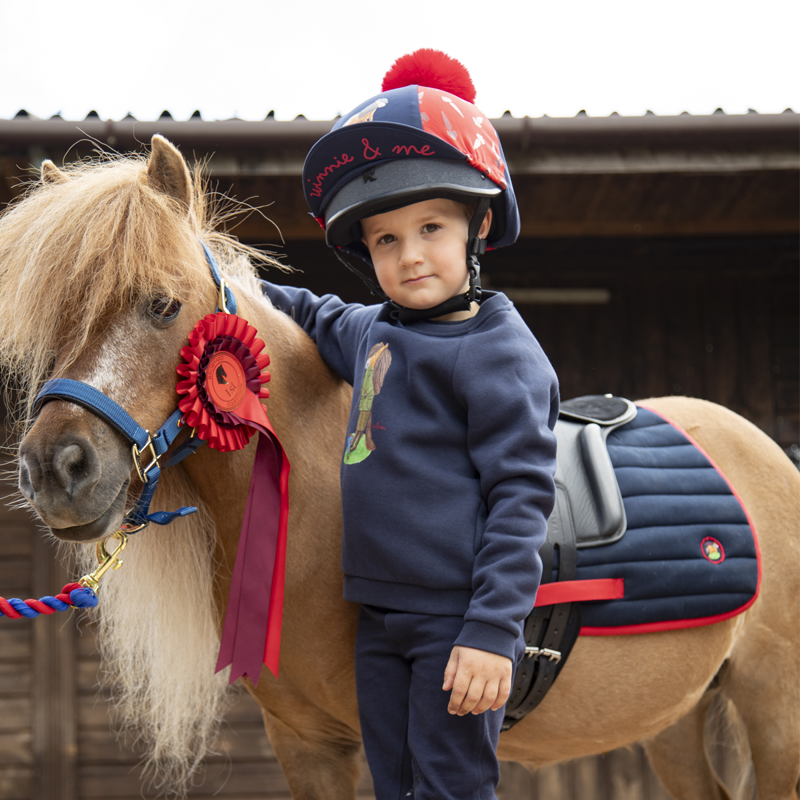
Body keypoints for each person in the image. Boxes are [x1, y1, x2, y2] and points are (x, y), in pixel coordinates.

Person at [261, 49, 558, 800]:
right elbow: (310, 312)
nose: (410, 254)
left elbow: (522, 499)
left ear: (478, 226)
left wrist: (493, 631)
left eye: (430, 226)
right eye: (386, 239)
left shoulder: (501, 353)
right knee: (395, 786)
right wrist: (220, 275)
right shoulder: (370, 332)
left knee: (452, 786)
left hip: (455, 618)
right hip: (379, 619)